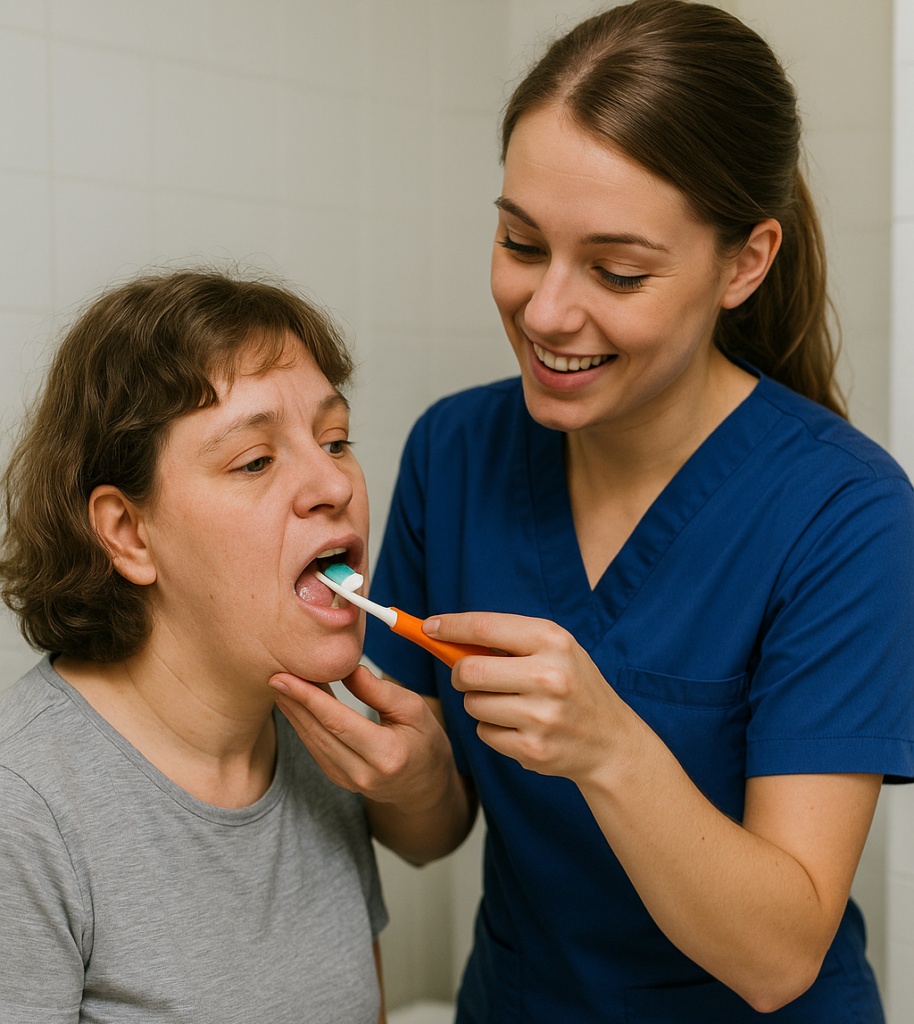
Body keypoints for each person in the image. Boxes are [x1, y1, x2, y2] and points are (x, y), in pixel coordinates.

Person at [269, 2, 914, 1021]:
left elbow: (778, 955)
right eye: (520, 243)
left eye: (616, 271)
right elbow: (435, 834)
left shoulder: (843, 512)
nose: (544, 312)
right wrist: (410, 771)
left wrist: (608, 747)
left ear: (742, 262)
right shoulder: (456, 450)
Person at [0, 269, 388, 1023]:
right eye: (255, 460)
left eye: (336, 440)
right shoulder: (24, 812)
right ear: (128, 533)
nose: (332, 484)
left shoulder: (322, 743)